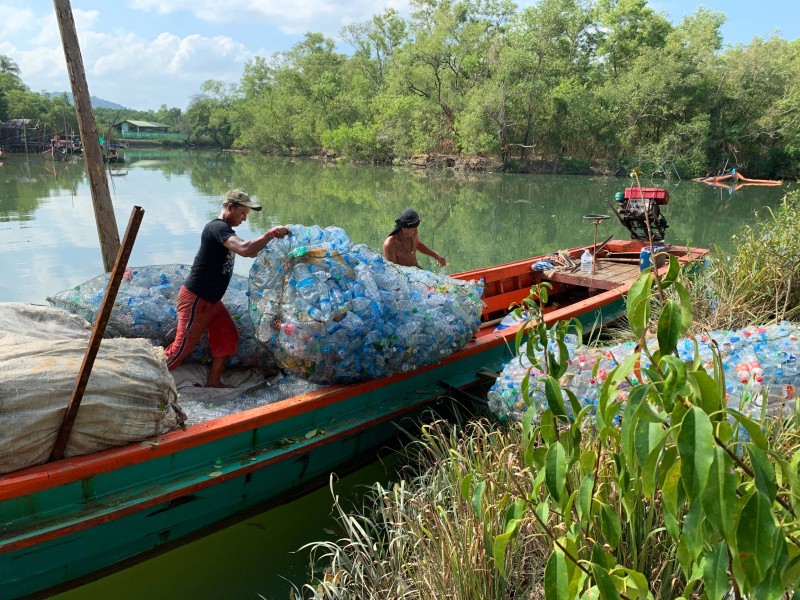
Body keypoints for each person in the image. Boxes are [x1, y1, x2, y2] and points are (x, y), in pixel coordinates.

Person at [165, 189, 290, 387]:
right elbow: (245, 248)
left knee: (227, 334)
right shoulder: (216, 228)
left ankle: (213, 381)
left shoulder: (226, 232)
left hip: (212, 302)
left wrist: (268, 240)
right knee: (180, 349)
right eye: (243, 213)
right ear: (230, 207)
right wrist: (271, 234)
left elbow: (248, 252)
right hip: (196, 299)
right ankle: (146, 380)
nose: (244, 218)